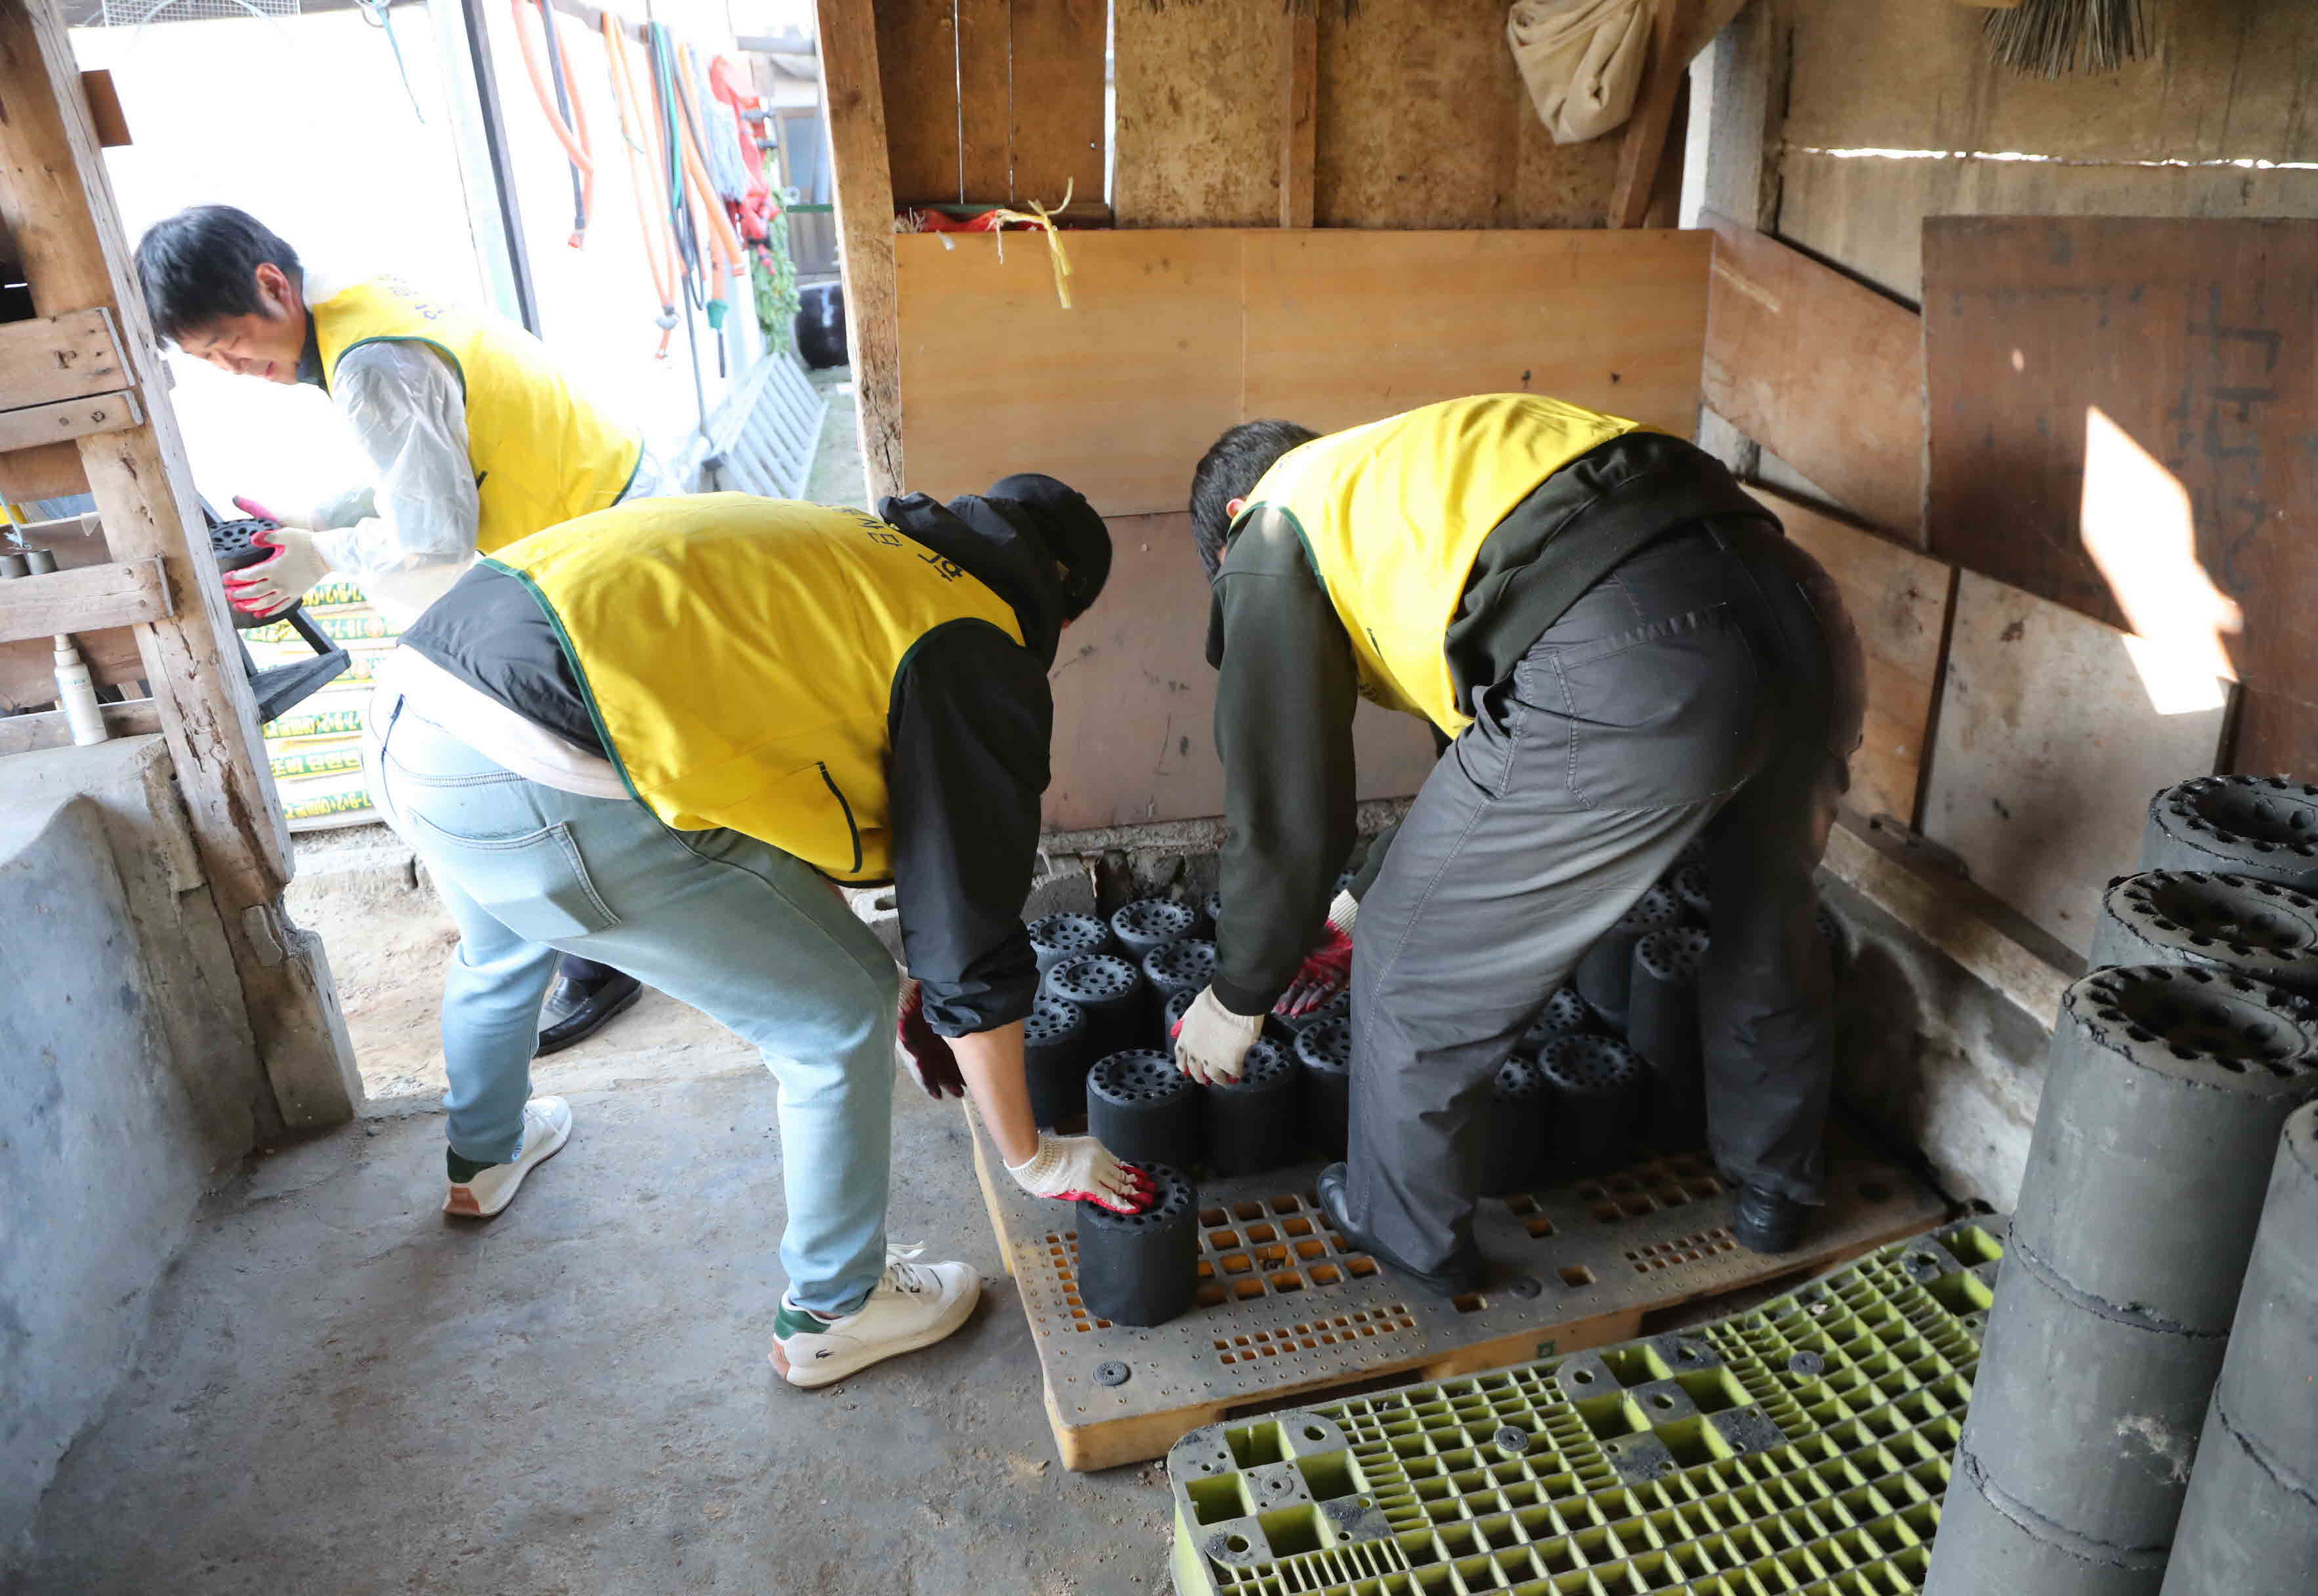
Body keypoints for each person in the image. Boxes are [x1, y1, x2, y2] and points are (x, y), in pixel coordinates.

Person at [362, 482, 1152, 1386]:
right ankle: (835, 1310)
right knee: (840, 1011)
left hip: (415, 715)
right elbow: (967, 924)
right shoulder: (972, 643)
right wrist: (1031, 1153)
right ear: (1057, 596)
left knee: (506, 937)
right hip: (541, 773)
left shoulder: (858, 557)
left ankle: (483, 1156)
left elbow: (773, 779)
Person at [1171, 394, 1864, 1294]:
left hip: (1637, 653)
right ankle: (1777, 1187)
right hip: (1798, 612)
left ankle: (1405, 1233)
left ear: (1232, 523)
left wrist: (1239, 993)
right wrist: (1355, 900)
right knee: (1764, 917)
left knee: (1411, 972)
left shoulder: (1273, 525)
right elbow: (1480, 767)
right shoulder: (1415, 476)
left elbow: (1282, 801)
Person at [136, 203, 650, 1053]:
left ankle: (604, 959)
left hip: (595, 549)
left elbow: (432, 537)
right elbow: (430, 454)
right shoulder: (365, 298)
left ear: (271, 286)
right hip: (608, 498)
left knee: (525, 752)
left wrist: (324, 553)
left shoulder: (370, 362)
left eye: (229, 342)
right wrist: (319, 513)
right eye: (207, 362)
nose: (233, 368)